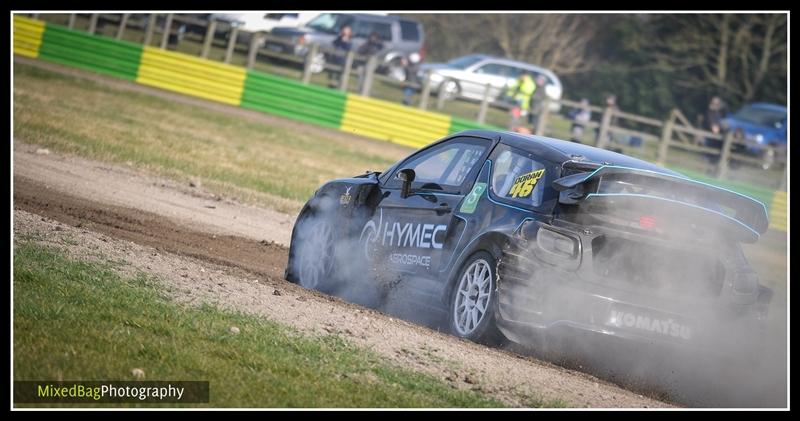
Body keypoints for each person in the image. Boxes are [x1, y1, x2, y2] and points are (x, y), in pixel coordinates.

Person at [703, 96, 729, 165]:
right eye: (714, 103)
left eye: (717, 103)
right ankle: (709, 159)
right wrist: (712, 126)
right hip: (710, 133)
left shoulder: (721, 112)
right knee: (711, 148)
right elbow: (708, 121)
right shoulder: (709, 112)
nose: (715, 105)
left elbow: (725, 109)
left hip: (719, 134)